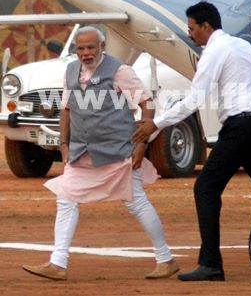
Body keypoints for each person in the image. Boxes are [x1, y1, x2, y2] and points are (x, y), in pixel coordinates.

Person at [133, 1, 251, 282]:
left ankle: (211, 264)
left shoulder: (214, 52)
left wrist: (156, 123)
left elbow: (194, 100)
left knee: (206, 187)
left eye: (192, 28)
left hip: (241, 127)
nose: (190, 34)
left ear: (206, 26)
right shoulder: (242, 45)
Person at [22, 27, 179, 281]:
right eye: (81, 48)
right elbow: (66, 109)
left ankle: (166, 259)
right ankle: (58, 263)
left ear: (102, 47)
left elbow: (147, 103)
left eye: (90, 47)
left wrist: (142, 144)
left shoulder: (120, 71)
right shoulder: (71, 70)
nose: (86, 53)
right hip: (81, 151)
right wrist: (64, 145)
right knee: (66, 198)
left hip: (118, 150)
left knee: (136, 202)